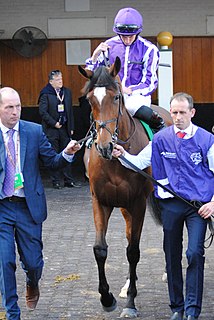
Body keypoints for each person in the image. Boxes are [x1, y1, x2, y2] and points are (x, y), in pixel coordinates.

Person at [112, 92, 214, 320]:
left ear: (192, 113)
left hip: (198, 207)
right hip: (170, 205)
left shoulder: (207, 140)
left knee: (194, 253)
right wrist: (122, 154)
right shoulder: (160, 139)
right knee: (172, 255)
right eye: (174, 112)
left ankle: (192, 310)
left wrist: (213, 203)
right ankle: (177, 308)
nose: (177, 117)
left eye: (182, 113)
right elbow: (138, 162)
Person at [0, 87, 81, 320]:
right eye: (9, 108)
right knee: (4, 261)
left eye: (18, 107)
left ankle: (32, 280)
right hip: (2, 207)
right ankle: (12, 313)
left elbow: (53, 162)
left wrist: (66, 153)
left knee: (34, 263)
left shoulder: (33, 132)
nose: (15, 112)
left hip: (27, 207)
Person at [85, 7, 165, 132]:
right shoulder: (108, 46)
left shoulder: (150, 49)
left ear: (138, 33)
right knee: (97, 109)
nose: (127, 40)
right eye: (123, 36)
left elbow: (150, 83)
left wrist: (130, 90)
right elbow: (91, 74)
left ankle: (160, 130)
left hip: (136, 96)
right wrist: (95, 55)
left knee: (129, 106)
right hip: (113, 94)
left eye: (131, 36)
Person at [38, 70, 81, 189]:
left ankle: (69, 180)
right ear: (51, 81)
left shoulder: (66, 92)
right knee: (54, 154)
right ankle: (56, 181)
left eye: (61, 79)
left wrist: (71, 127)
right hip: (52, 129)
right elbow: (43, 112)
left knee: (68, 152)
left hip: (65, 128)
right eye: (57, 80)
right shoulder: (45, 93)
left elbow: (70, 111)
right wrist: (54, 123)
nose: (60, 81)